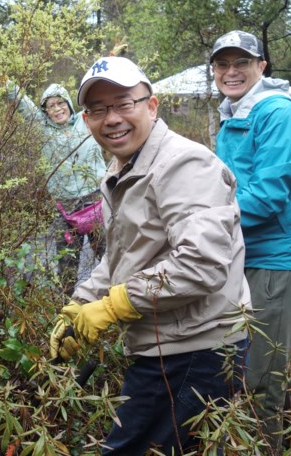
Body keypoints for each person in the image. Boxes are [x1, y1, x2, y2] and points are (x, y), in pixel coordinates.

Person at [49, 56, 251, 456]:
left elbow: (201, 265)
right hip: (167, 345)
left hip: (197, 352)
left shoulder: (183, 164)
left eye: (124, 104)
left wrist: (113, 307)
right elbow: (125, 254)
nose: (112, 119)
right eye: (99, 109)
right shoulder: (123, 168)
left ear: (152, 106)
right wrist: (82, 302)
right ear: (85, 120)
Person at [210, 30, 291, 451]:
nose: (231, 71)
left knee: (258, 384)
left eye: (242, 62)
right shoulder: (236, 113)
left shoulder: (277, 114)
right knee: (266, 370)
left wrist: (198, 225)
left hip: (279, 266)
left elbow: (266, 198)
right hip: (250, 260)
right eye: (223, 64)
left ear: (262, 66)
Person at [7, 81, 107, 287]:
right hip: (65, 208)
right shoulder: (42, 128)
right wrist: (4, 81)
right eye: (50, 106)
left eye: (60, 103)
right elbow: (22, 103)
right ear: (45, 111)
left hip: (95, 200)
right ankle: (66, 309)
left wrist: (114, 56)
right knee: (67, 262)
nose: (57, 109)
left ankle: (121, 296)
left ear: (69, 103)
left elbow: (103, 98)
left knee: (108, 254)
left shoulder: (86, 120)